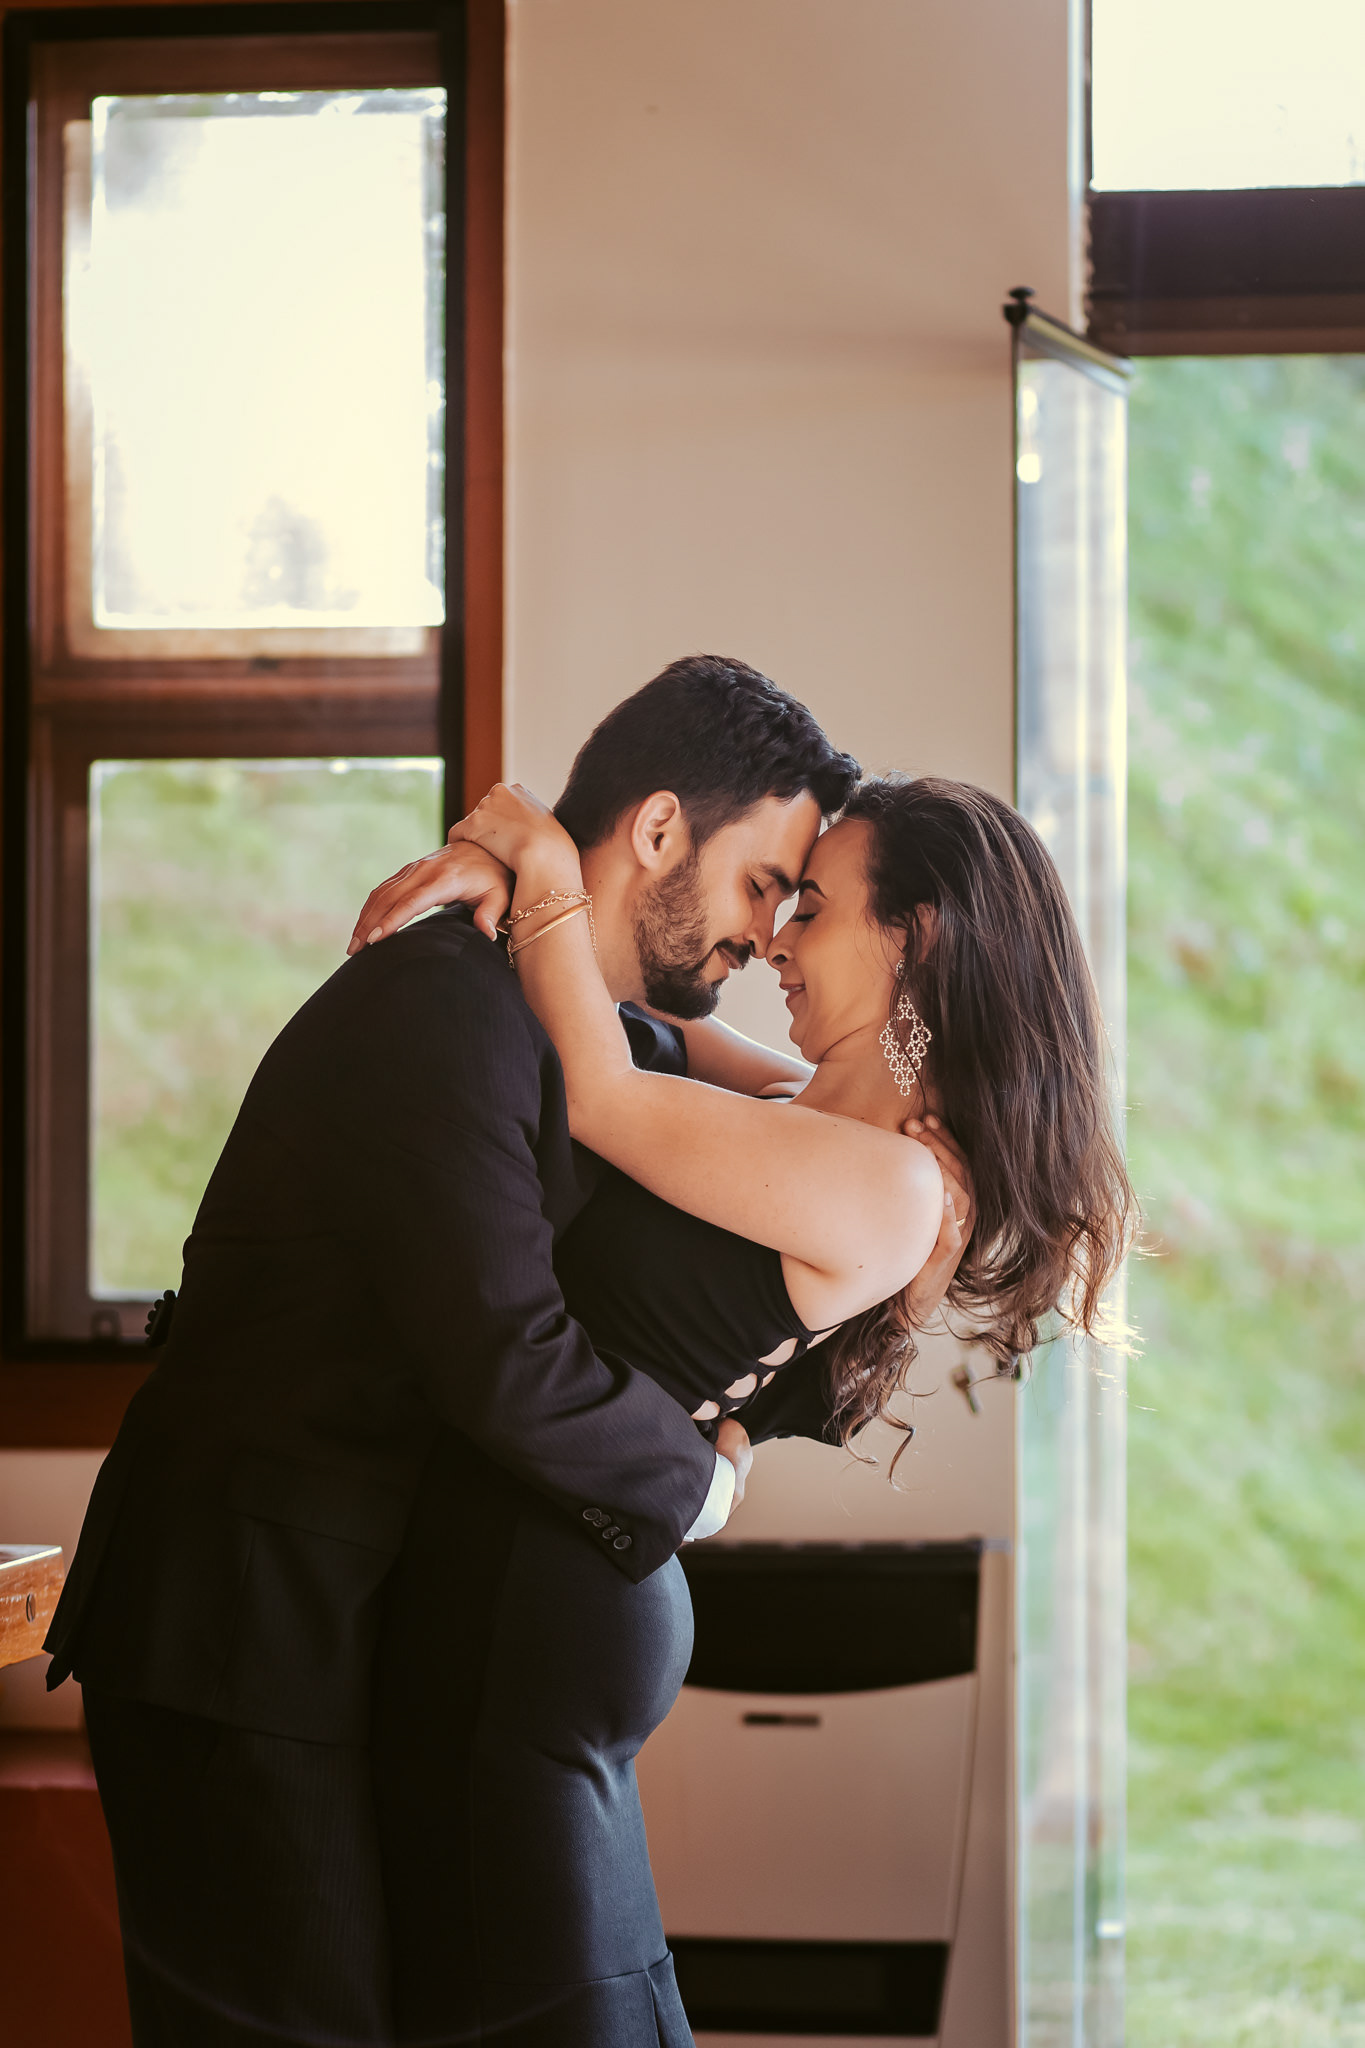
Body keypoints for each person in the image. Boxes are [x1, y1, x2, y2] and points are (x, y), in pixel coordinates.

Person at [45, 655, 916, 2048]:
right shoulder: (440, 1002)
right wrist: (694, 1486)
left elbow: (786, 1126)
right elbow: (510, 1356)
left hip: (347, 1624)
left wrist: (530, 870)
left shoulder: (584, 1027)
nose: (768, 937)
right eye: (764, 884)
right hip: (244, 1626)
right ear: (658, 828)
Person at [350, 767, 1134, 2048]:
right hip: (545, 1567)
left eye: (810, 907)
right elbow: (640, 1024)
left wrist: (545, 863)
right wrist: (529, 890)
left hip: (544, 1592)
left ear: (914, 935)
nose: (774, 938)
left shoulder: (892, 1184)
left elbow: (604, 1091)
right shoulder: (819, 1114)